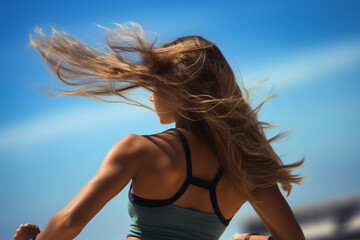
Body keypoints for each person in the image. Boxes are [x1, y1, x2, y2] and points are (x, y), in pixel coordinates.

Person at [14, 22, 306, 240]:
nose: (151, 95)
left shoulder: (139, 150)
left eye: (155, 85)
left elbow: (69, 223)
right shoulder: (246, 167)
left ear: (179, 90)